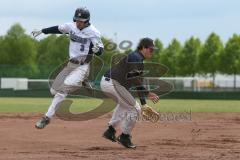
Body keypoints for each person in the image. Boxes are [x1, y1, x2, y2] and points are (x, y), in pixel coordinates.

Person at [32, 7, 104, 129]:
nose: (78, 22)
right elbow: (58, 29)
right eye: (77, 19)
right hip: (71, 64)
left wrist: (98, 51)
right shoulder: (71, 26)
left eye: (81, 20)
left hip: (82, 66)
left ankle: (46, 118)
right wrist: (42, 31)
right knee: (53, 91)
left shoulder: (94, 32)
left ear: (87, 21)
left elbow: (100, 50)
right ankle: (83, 81)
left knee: (62, 91)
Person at [101, 38, 159, 149]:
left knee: (125, 105)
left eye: (153, 50)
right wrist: (147, 93)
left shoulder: (139, 60)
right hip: (113, 83)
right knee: (135, 109)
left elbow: (138, 83)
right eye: (150, 49)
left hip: (111, 83)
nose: (152, 52)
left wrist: (144, 104)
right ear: (143, 48)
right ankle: (124, 136)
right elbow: (133, 77)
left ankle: (110, 130)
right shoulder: (135, 57)